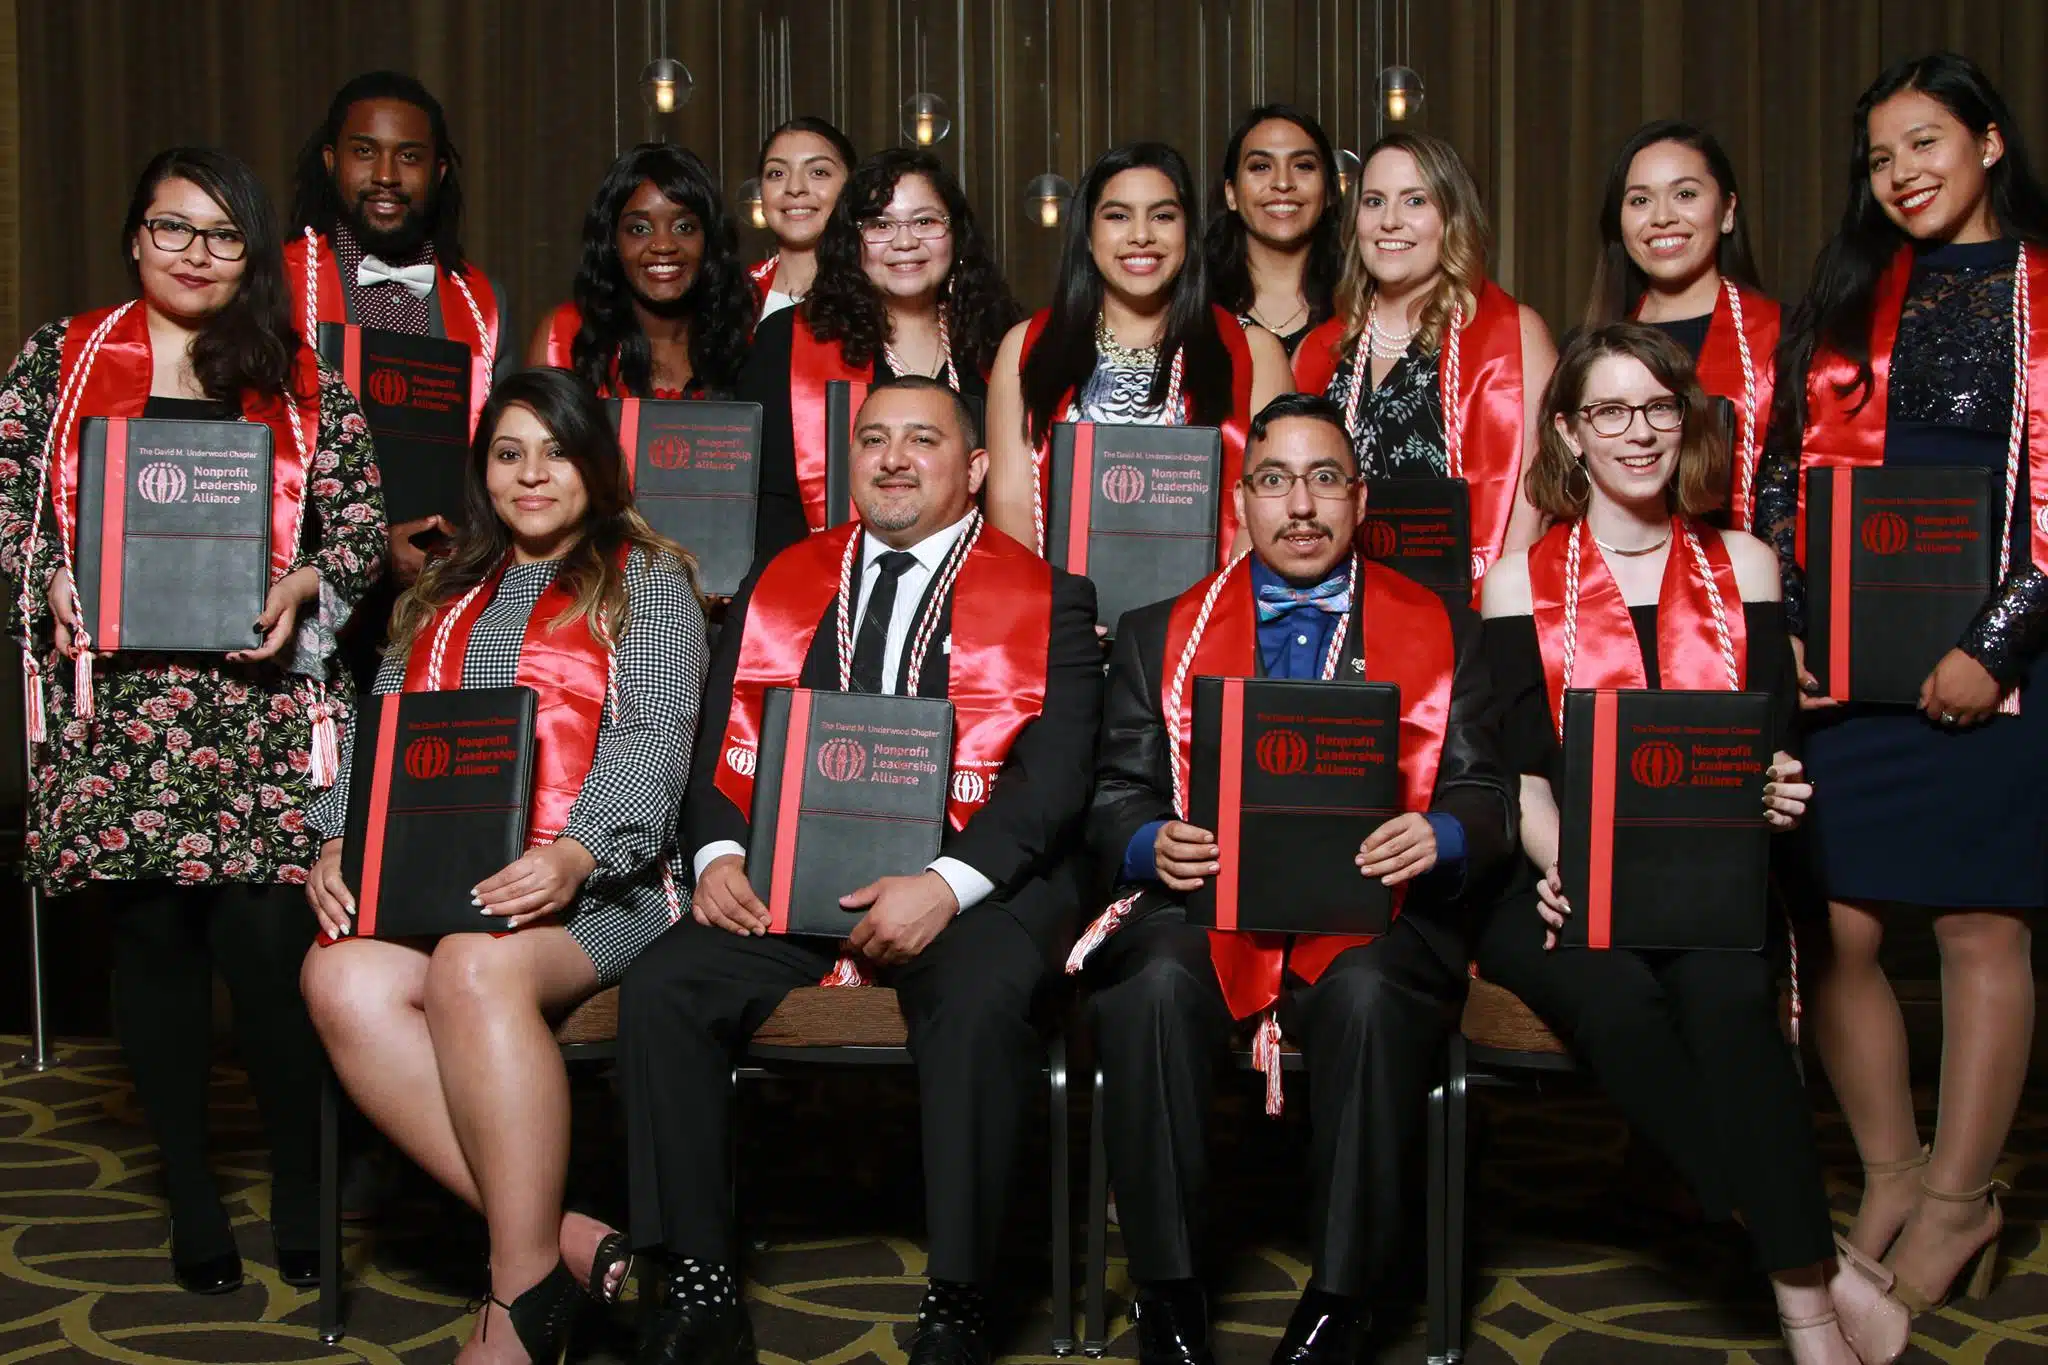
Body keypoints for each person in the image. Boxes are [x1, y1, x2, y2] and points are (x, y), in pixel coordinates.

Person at [618, 376, 1102, 1365]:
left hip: (971, 886)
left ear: (971, 468)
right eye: (873, 439)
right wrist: (713, 856)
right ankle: (701, 1284)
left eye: (921, 439)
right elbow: (711, 745)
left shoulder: (1051, 598)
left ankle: (961, 1298)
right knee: (665, 988)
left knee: (975, 1007)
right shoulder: (778, 582)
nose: (892, 458)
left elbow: (1052, 785)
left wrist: (946, 885)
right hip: (790, 880)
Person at [1474, 324, 1907, 1365]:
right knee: (1618, 998)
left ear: (1685, 421)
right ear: (1570, 435)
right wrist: (1562, 867)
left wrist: (1776, 792)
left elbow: (1765, 752)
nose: (1638, 432)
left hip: (1708, 881)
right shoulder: (1515, 586)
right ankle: (1822, 1275)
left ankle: (1799, 1309)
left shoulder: (1745, 568)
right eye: (1609, 411)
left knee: (1721, 1003)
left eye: (1658, 407)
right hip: (1558, 882)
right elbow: (1516, 773)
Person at [0, 147, 386, 1294]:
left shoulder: (297, 371)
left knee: (272, 957)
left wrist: (301, 587)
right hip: (117, 710)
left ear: (250, 253)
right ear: (136, 235)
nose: (197, 255)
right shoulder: (64, 360)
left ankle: (303, 1183)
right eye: (175, 229)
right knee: (155, 949)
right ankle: (189, 1194)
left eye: (224, 237)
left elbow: (360, 520)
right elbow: (9, 496)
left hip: (259, 711)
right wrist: (50, 582)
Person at [1072, 392, 1515, 1365]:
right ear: (1241, 502)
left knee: (1362, 999)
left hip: (1376, 912)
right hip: (1206, 903)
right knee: (1147, 992)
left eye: (1323, 480)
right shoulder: (1158, 633)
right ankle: (1170, 1293)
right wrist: (1153, 842)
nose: (1300, 506)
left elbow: (1487, 797)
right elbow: (1112, 795)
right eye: (1275, 481)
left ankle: (1342, 1299)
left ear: (1357, 499)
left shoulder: (1443, 626)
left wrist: (1436, 834)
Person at [302, 368, 709, 1365]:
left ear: (596, 465)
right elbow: (374, 744)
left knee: (471, 966)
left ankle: (519, 1299)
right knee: (339, 977)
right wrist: (330, 838)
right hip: (451, 887)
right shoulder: (438, 592)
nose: (532, 475)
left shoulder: (645, 579)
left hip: (602, 887)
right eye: (508, 453)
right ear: (482, 472)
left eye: (556, 452)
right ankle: (562, 1237)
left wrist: (575, 853)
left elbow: (652, 746)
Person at [1755, 50, 2048, 1318]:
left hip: (2003, 655)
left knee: (1980, 926)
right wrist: (1790, 628)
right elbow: (1778, 479)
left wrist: (1993, 645)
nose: (1899, 175)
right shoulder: (1849, 296)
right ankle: (1886, 1166)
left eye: (1922, 143)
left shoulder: (2044, 294)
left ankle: (1957, 1200)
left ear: (1986, 143)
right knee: (1837, 924)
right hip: (1852, 664)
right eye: (1878, 157)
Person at [985, 142, 1294, 557]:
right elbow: (1010, 506)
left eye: (1163, 216)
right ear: (1088, 235)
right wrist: (1055, 613)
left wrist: (1207, 614)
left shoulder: (1254, 351)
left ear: (1188, 232)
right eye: (1117, 216)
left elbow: (1269, 505)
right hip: (1062, 610)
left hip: (1210, 608)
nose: (1141, 236)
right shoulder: (1027, 346)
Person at [1292, 131, 1554, 595]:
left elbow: (1532, 504)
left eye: (1415, 201)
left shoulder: (1513, 335)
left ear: (1451, 218)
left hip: (1466, 611)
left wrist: (1500, 611)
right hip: (1338, 608)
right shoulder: (1322, 350)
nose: (1389, 221)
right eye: (1374, 202)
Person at [735, 147, 1020, 571]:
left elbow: (1027, 496)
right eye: (880, 225)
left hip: (974, 591)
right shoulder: (788, 340)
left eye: (925, 221)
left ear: (956, 233)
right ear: (853, 240)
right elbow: (765, 504)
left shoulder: (998, 345)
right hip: (826, 592)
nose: (905, 242)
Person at [287, 69, 511, 588]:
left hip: (453, 582)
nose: (386, 174)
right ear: (331, 161)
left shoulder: (483, 301)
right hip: (309, 586)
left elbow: (507, 451)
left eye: (408, 157)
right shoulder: (275, 284)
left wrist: (466, 548)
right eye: (365, 151)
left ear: (437, 172)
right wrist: (361, 550)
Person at [1584, 120, 1781, 531]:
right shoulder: (1587, 351)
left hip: (1750, 578)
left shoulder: (1791, 340)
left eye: (1685, 194)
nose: (1661, 218)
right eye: (1639, 201)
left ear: (1727, 212)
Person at [527, 143, 757, 399]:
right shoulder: (564, 336)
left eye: (684, 227)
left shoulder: (744, 337)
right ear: (612, 241)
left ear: (709, 239)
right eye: (639, 229)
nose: (664, 245)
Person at [1205, 104, 1344, 355]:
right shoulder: (1195, 302)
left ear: (1329, 192)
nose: (1282, 183)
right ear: (1231, 193)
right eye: (1260, 167)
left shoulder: (1361, 302)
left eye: (1303, 166)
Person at [747, 116, 857, 319]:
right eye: (777, 174)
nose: (795, 188)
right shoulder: (733, 295)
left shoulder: (884, 291)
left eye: (818, 172)